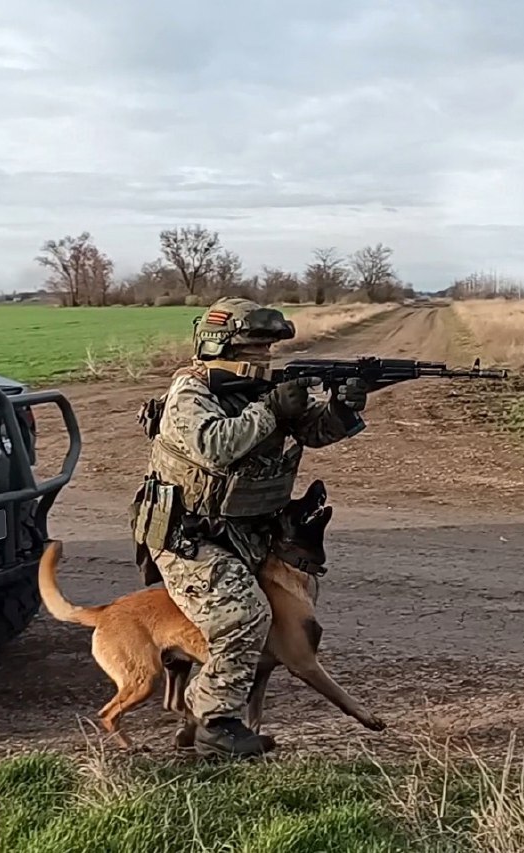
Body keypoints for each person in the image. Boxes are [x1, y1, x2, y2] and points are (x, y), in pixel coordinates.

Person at [131, 296, 368, 758]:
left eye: (268, 348)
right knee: (244, 617)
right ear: (221, 345)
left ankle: (201, 720)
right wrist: (273, 410)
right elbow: (214, 447)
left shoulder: (261, 390)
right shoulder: (191, 392)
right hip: (188, 537)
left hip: (247, 532)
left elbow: (314, 433)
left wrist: (342, 409)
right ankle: (214, 722)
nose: (263, 357)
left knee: (272, 619)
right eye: (252, 347)